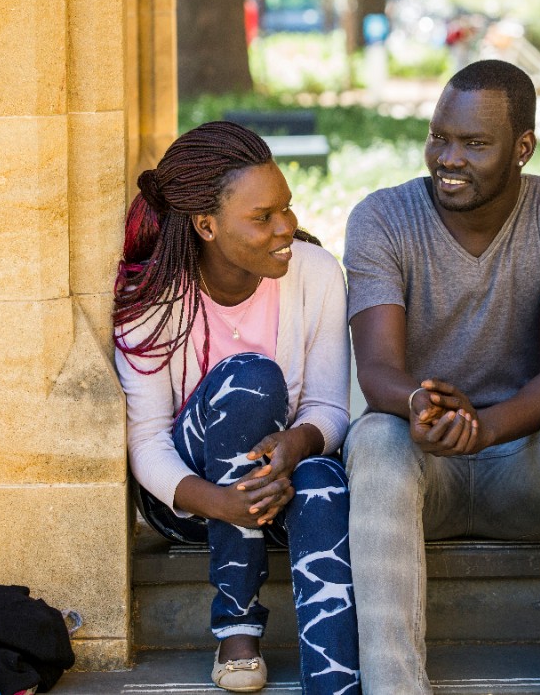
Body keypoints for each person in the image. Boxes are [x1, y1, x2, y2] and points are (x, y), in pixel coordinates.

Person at [342, 59, 540, 695]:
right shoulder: (382, 219)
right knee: (373, 439)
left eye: (474, 144)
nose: (449, 157)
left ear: (522, 147)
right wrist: (419, 403)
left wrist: (487, 427)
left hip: (522, 466)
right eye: (439, 136)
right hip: (425, 468)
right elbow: (378, 372)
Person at [113, 121, 360, 694]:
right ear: (206, 224)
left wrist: (294, 446)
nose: (287, 228)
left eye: (287, 209)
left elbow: (328, 408)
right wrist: (221, 504)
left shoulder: (315, 273)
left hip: (280, 484)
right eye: (263, 216)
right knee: (250, 378)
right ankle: (238, 629)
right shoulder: (150, 297)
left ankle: (335, 680)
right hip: (191, 499)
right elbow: (146, 441)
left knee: (323, 476)